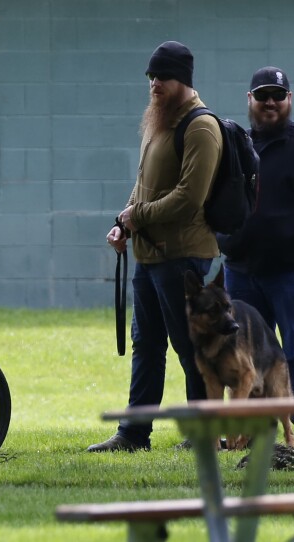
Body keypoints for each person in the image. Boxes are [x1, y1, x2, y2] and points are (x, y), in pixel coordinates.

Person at [88, 41, 222, 452]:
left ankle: (205, 435)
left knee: (188, 344)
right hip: (150, 255)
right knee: (146, 344)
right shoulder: (159, 120)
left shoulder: (200, 127)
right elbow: (144, 183)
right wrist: (123, 222)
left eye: (161, 77)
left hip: (182, 256)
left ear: (182, 79)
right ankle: (133, 433)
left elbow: (188, 198)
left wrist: (137, 216)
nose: (153, 84)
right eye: (150, 77)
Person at [217, 67, 294, 423]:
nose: (270, 102)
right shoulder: (236, 145)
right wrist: (226, 240)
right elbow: (215, 199)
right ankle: (254, 428)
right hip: (243, 271)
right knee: (248, 353)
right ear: (249, 100)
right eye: (262, 95)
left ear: (289, 100)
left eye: (278, 96)